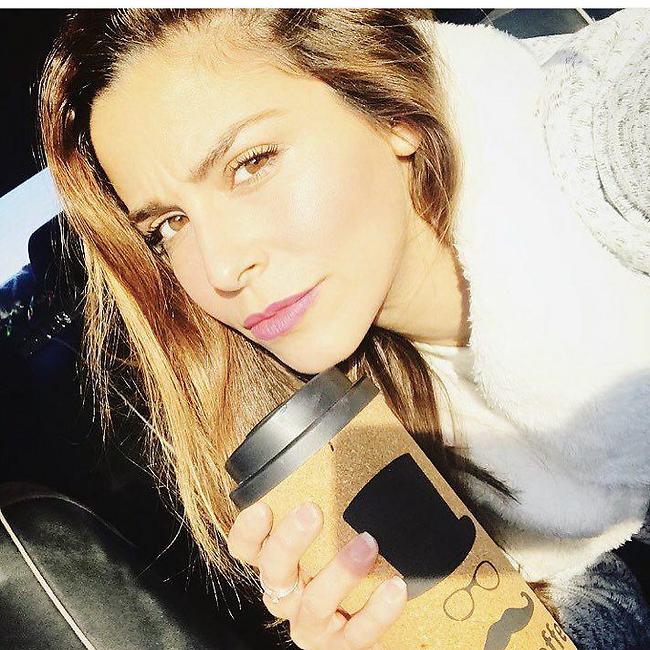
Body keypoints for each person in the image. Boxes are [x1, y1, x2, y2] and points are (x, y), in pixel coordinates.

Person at [37, 8, 650, 649]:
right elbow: (597, 576)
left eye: (252, 162)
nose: (220, 268)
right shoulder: (346, 413)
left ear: (392, 111)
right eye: (169, 224)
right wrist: (431, 628)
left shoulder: (606, 143)